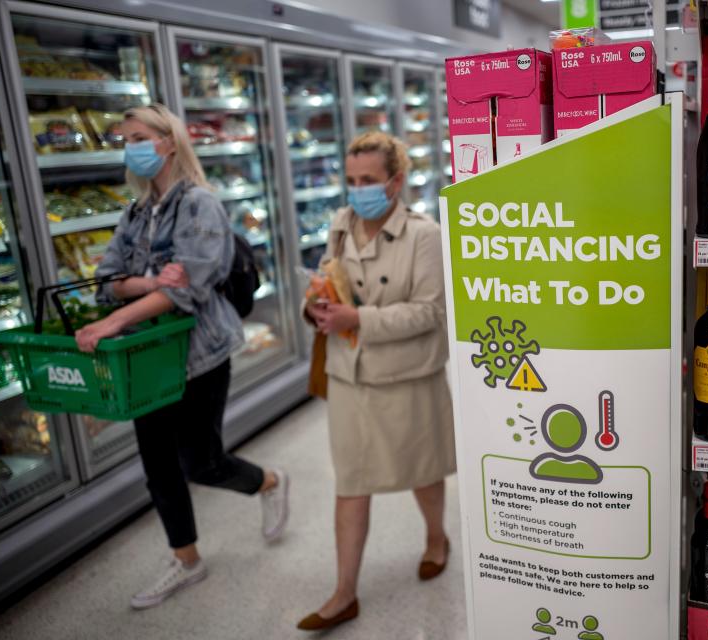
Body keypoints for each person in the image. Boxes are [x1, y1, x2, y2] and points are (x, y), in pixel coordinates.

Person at [74, 104, 290, 610]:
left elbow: (187, 291)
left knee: (202, 462)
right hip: (147, 355)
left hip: (200, 355)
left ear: (168, 142)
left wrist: (115, 318)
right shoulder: (134, 213)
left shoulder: (200, 206)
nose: (129, 145)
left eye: (138, 135)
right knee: (158, 465)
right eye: (123, 137)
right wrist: (151, 282)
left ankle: (271, 481)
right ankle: (187, 560)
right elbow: (107, 281)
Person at [299, 132, 456, 631]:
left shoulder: (424, 234)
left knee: (422, 470)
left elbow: (431, 312)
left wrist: (358, 319)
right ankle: (344, 592)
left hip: (408, 374)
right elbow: (333, 283)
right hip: (351, 374)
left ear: (396, 182)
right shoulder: (341, 226)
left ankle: (436, 537)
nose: (357, 190)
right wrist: (317, 308)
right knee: (351, 481)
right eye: (350, 180)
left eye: (367, 180)